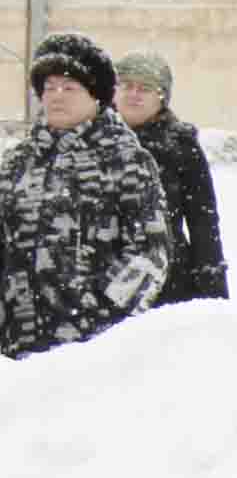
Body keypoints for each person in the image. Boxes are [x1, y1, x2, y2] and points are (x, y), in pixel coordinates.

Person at [1, 31, 169, 359]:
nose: (56, 97)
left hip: (90, 354)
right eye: (49, 88)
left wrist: (101, 314)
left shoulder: (125, 160)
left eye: (69, 88)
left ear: (96, 96)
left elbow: (150, 254)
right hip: (15, 348)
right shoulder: (17, 160)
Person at [115, 51, 229, 307]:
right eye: (127, 85)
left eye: (144, 88)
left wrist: (213, 292)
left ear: (162, 96)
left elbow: (203, 221)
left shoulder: (180, 146)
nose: (133, 94)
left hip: (168, 281)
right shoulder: (95, 139)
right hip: (102, 280)